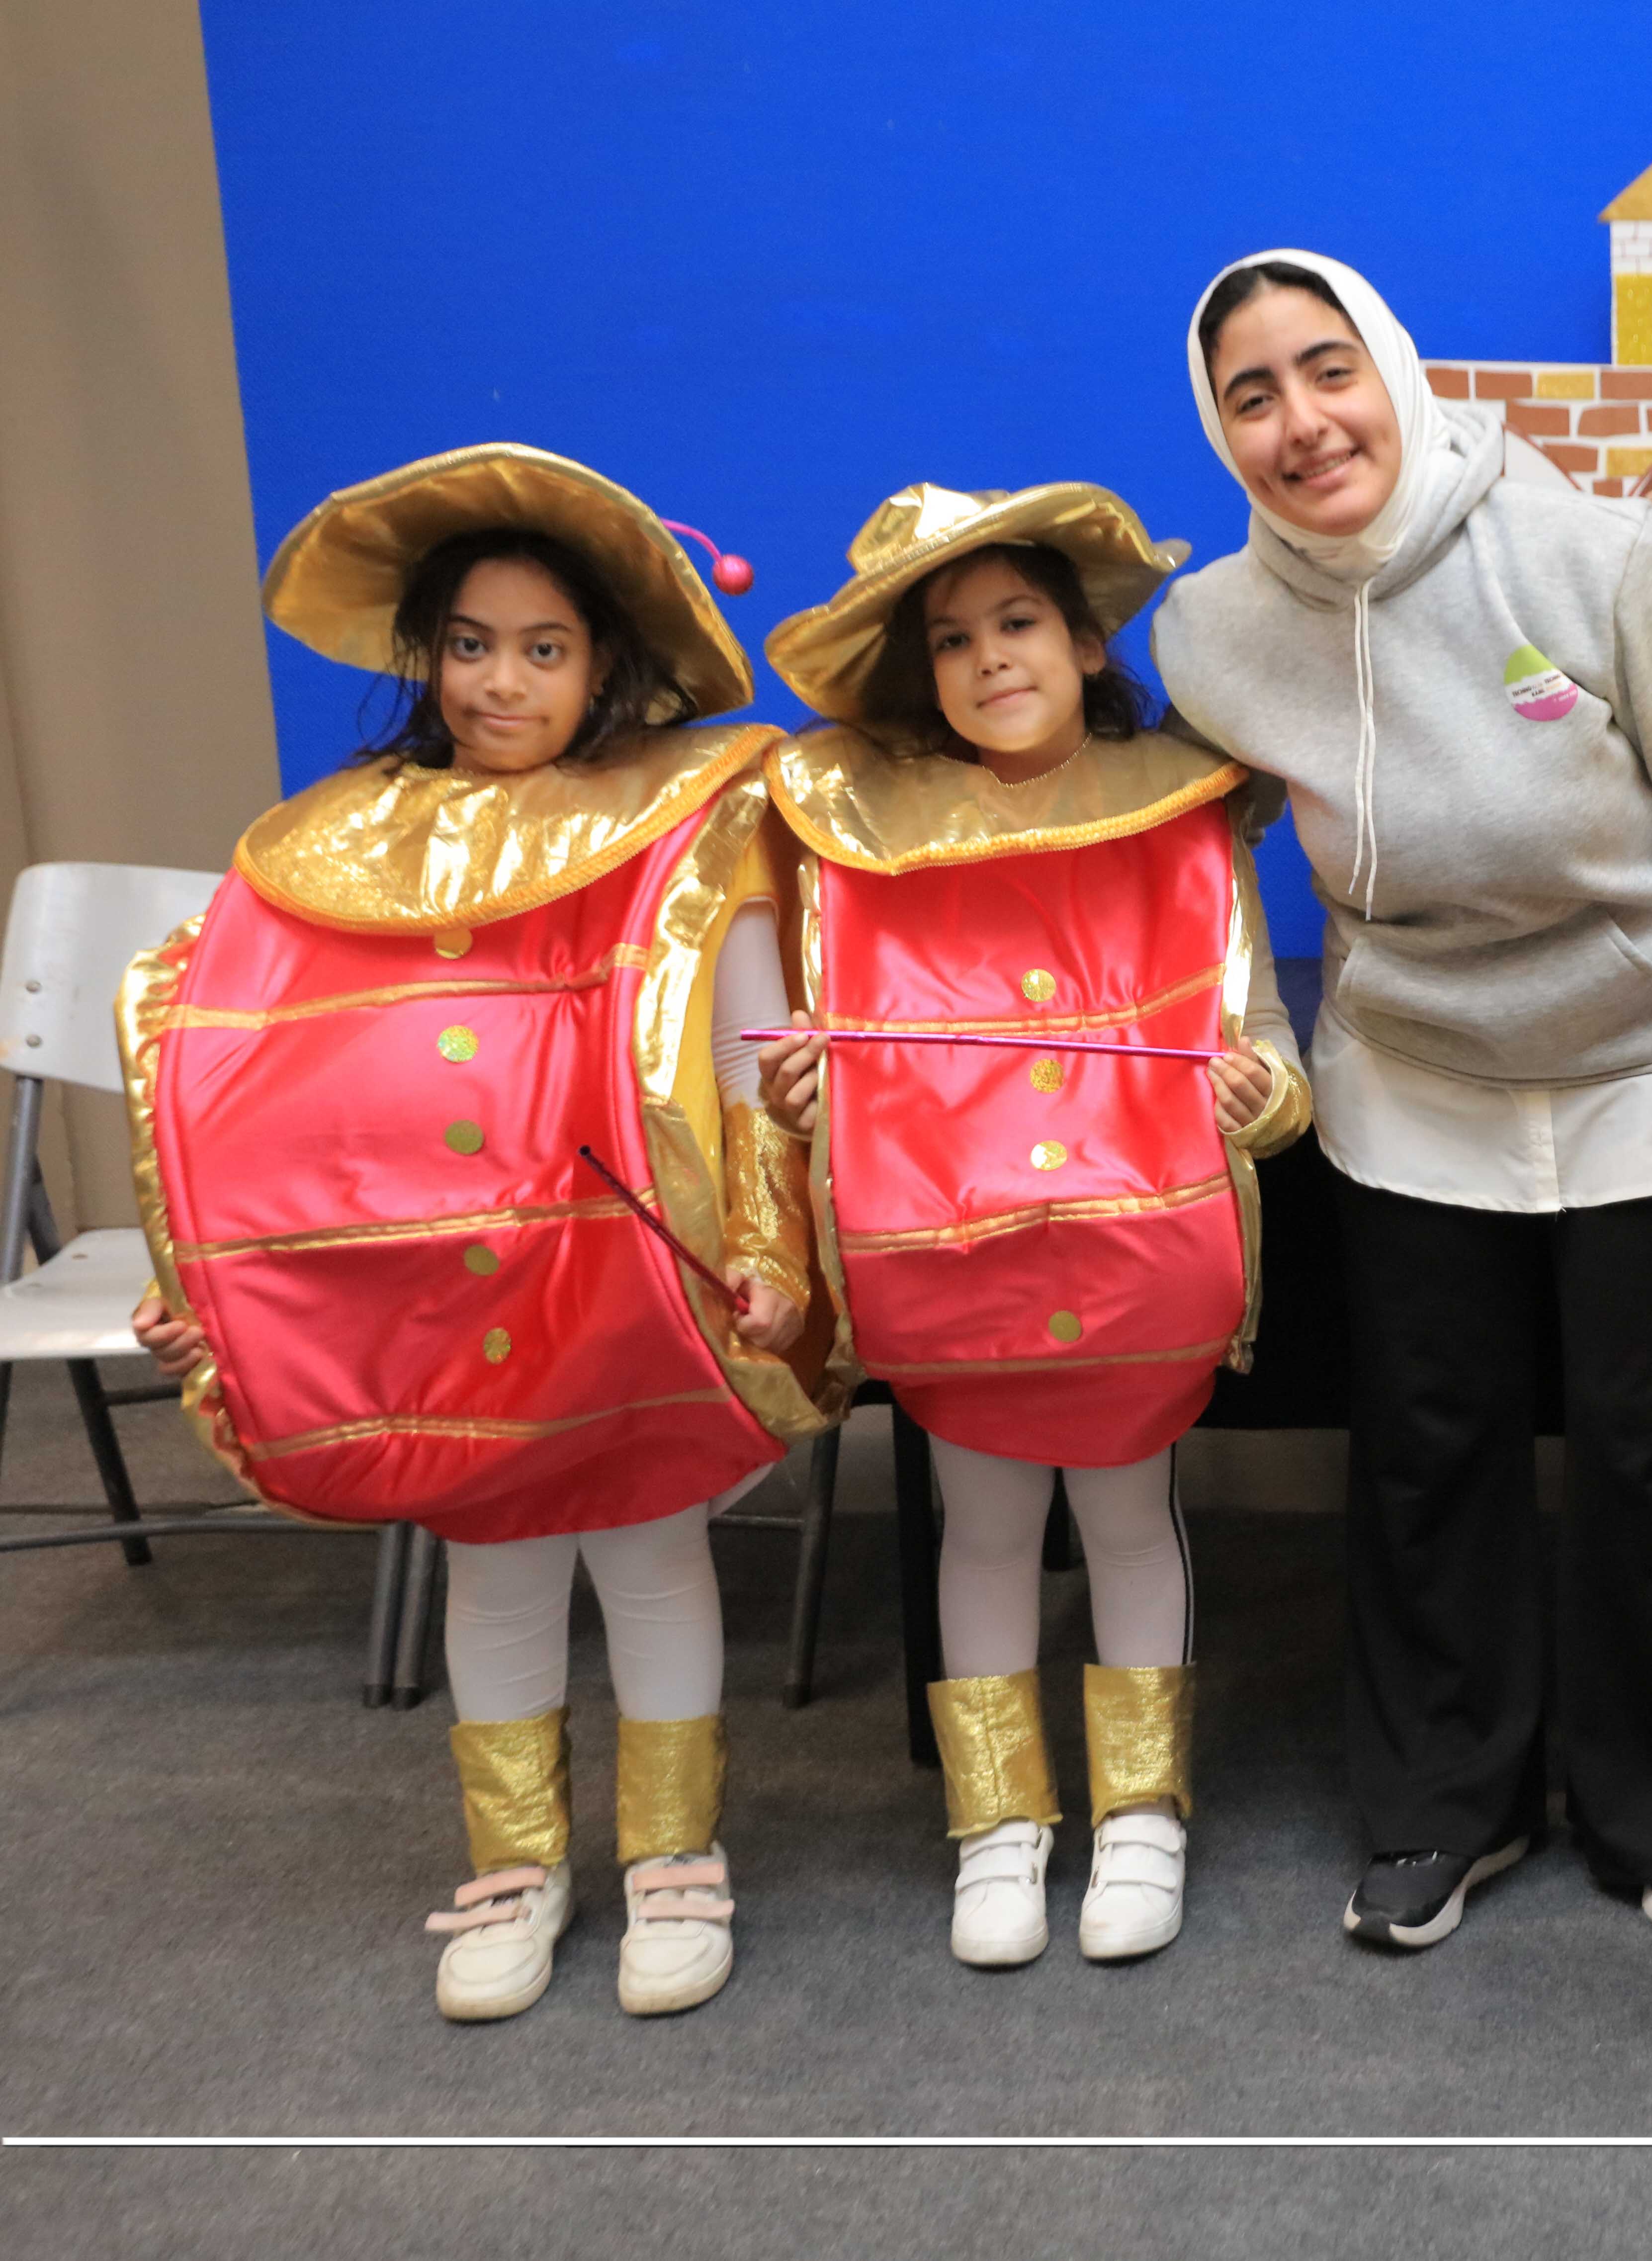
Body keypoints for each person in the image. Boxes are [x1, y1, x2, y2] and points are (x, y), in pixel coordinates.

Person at [122, 444, 839, 2020]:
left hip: (620, 1271)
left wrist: (772, 1249)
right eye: (468, 643)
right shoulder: (329, 845)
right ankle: (516, 1867)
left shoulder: (686, 815)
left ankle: (673, 1856)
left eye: (543, 647)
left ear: (606, 667)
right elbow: (241, 1080)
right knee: (495, 1558)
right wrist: (210, 1290)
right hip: (439, 1288)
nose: (499, 681)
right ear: (424, 652)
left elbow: (749, 1053)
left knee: (649, 1549)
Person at [1154, 251, 1652, 1945]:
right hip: (1415, 1077)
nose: (1303, 423)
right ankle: (1444, 1799)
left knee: (1651, 1449)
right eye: (1252, 397)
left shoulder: (1605, 555)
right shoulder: (1210, 632)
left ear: (1396, 367)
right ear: (1217, 432)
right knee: (1428, 1449)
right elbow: (1168, 852)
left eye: (1328, 369)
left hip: (1647, 1068)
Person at [756, 482, 1305, 1968]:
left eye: (1018, 622)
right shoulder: (874, 838)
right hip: (960, 1260)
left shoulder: (1182, 808)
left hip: (1136, 1257)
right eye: (953, 639)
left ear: (1084, 642)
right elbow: (840, 1052)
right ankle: (997, 1823)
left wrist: (1263, 1097)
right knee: (984, 1528)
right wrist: (809, 1098)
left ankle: (1142, 1813)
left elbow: (1255, 1028)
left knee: (1128, 1520)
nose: (991, 656)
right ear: (924, 675)